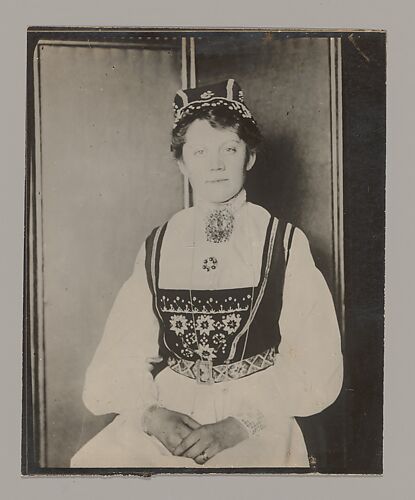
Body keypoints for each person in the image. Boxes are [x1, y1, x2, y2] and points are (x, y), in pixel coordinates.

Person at [71, 79, 343, 468]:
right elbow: (119, 355)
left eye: (229, 149)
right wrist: (150, 414)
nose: (215, 165)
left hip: (257, 412)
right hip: (172, 409)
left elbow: (316, 364)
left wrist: (240, 424)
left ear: (249, 157)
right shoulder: (159, 244)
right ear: (182, 162)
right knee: (93, 466)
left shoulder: (283, 242)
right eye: (199, 152)